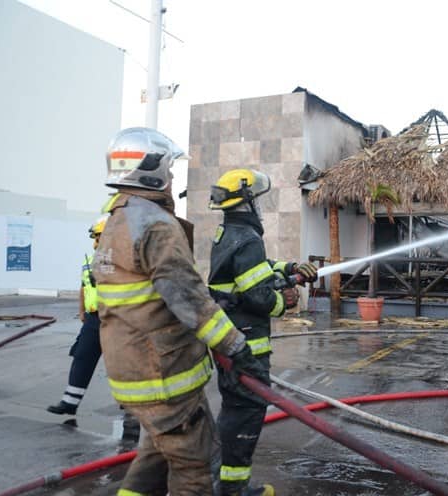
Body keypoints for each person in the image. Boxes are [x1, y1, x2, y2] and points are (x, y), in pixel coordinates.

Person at [94, 127, 267, 496]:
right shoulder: (156, 224)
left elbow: (155, 291)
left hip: (132, 372)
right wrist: (236, 348)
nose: (172, 177)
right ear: (151, 168)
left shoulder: (118, 218)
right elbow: (187, 298)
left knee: (154, 457)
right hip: (163, 376)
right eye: (169, 169)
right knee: (194, 468)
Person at [207, 168, 318, 496]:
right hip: (247, 345)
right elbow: (257, 296)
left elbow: (253, 272)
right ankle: (235, 489)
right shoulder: (248, 239)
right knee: (247, 413)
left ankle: (224, 479)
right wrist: (284, 303)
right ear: (247, 203)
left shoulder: (229, 234)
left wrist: (289, 269)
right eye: (257, 199)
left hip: (229, 339)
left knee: (234, 410)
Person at [47, 215, 108, 416]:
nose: (95, 242)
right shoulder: (90, 260)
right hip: (93, 319)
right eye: (95, 237)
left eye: (98, 237)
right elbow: (84, 286)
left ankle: (130, 412)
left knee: (121, 365)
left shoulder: (123, 260)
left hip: (116, 320)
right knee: (82, 356)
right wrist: (82, 311)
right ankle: (70, 403)